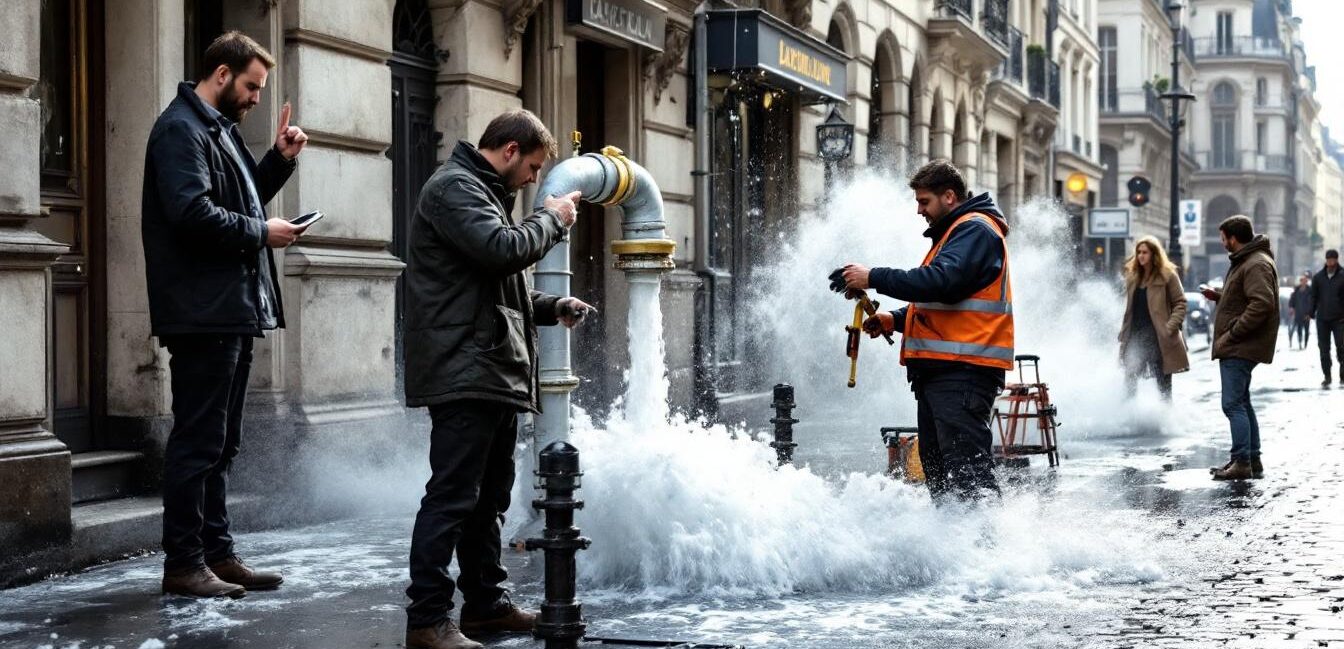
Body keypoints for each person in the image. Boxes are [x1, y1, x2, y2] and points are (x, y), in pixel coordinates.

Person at [401, 109, 592, 649]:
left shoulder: (483, 193)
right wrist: (553, 219)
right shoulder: (455, 189)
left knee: (488, 500)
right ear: (509, 151)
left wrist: (552, 306)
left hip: (487, 366)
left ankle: (485, 606)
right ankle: (428, 620)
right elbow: (500, 251)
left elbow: (494, 285)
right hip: (466, 368)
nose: (534, 179)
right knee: (452, 497)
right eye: (531, 167)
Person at [141, 32, 307, 598]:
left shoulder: (218, 132)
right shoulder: (179, 130)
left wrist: (279, 162)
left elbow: (243, 201)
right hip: (201, 313)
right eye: (252, 85)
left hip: (230, 309)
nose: (258, 97)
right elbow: (191, 214)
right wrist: (262, 232)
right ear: (220, 74)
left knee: (222, 442)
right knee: (198, 442)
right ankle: (184, 564)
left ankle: (216, 554)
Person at [840, 159, 1010, 502]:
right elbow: (948, 300)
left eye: (924, 202)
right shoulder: (958, 232)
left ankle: (986, 550)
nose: (919, 211)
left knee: (968, 479)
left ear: (949, 196)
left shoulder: (974, 229)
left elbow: (941, 283)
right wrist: (896, 320)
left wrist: (873, 277)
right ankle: (959, 548)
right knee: (943, 477)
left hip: (962, 373)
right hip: (948, 373)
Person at [1201, 215, 1278, 481]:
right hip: (1242, 344)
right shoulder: (1249, 260)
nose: (1223, 243)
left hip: (1240, 345)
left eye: (1223, 238)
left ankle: (1242, 461)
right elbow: (1245, 297)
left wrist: (1234, 331)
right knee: (1242, 402)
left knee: (1232, 404)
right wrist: (1220, 296)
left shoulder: (1254, 263)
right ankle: (1251, 459)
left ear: (1233, 238)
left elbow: (1261, 303)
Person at [1118, 236, 1189, 399]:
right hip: (1135, 336)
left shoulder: (1168, 275)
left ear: (1154, 254)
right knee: (1129, 381)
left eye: (1145, 252)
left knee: (1163, 385)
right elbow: (1129, 309)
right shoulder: (1133, 277)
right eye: (1139, 252)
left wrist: (1170, 327)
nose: (1141, 256)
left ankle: (1165, 419)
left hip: (1159, 338)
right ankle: (1128, 417)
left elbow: (1180, 303)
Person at [1309, 249, 1344, 386]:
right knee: (1324, 349)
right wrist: (1310, 312)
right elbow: (1313, 297)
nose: (1330, 262)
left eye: (1333, 260)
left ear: (1336, 260)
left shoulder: (1343, 276)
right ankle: (1327, 376)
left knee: (1341, 348)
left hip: (1340, 319)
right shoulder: (1318, 278)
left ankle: (1342, 375)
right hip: (1322, 319)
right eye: (1328, 260)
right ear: (1326, 260)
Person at [1288, 273, 1312, 350]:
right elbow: (1292, 301)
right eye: (1302, 280)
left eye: (1305, 280)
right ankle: (1300, 343)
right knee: (1299, 329)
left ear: (1307, 281)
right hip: (1298, 313)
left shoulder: (1310, 291)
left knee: (1307, 331)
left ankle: (1305, 343)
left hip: (1307, 314)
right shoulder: (1296, 291)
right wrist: (1291, 308)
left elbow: (1313, 302)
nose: (1303, 282)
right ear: (1300, 281)